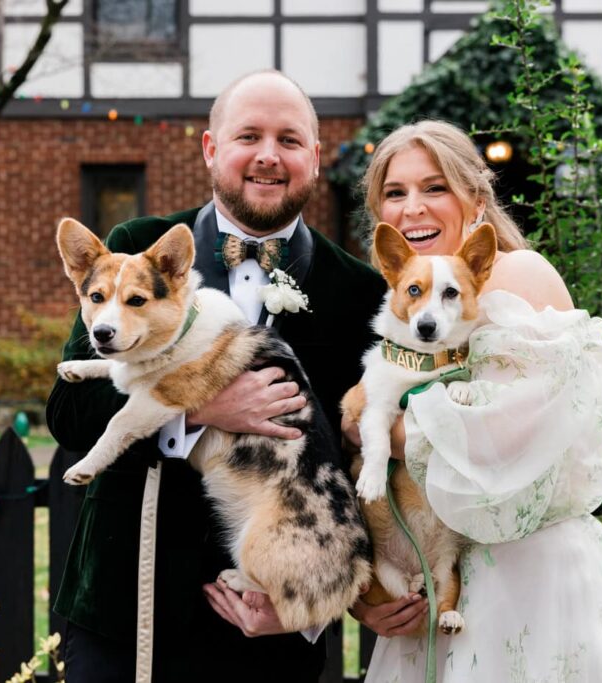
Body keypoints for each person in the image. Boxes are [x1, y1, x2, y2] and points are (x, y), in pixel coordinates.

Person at [347, 120, 602, 682]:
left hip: (529, 578)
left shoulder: (513, 272)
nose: (413, 209)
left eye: (434, 188)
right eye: (395, 194)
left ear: (476, 199)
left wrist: (381, 428)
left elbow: (507, 436)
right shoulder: (412, 300)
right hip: (444, 586)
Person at [47, 69, 385, 682]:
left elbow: (361, 465)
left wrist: (304, 614)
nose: (267, 156)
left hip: (268, 623)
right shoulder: (136, 248)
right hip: (132, 602)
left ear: (314, 155)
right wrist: (199, 408)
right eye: (247, 136)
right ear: (211, 149)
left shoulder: (358, 291)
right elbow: (70, 417)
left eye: (288, 140)